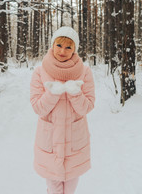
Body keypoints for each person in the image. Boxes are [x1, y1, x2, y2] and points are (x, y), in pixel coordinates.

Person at [30, 26, 95, 194]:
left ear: (74, 49)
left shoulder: (84, 71)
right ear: (52, 45)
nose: (62, 51)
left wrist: (75, 93)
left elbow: (87, 106)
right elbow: (38, 107)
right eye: (59, 45)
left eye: (68, 47)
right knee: (54, 189)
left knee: (70, 189)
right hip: (49, 142)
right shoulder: (40, 71)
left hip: (75, 141)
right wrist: (53, 92)